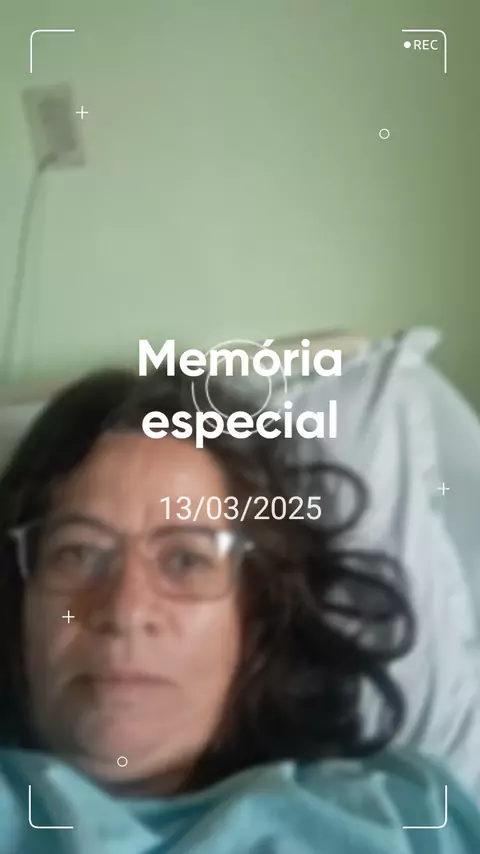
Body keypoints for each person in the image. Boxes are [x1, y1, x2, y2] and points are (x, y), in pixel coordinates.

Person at [0, 365, 479, 854]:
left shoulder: (410, 814)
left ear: (253, 615)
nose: (125, 611)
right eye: (78, 553)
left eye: (186, 560)